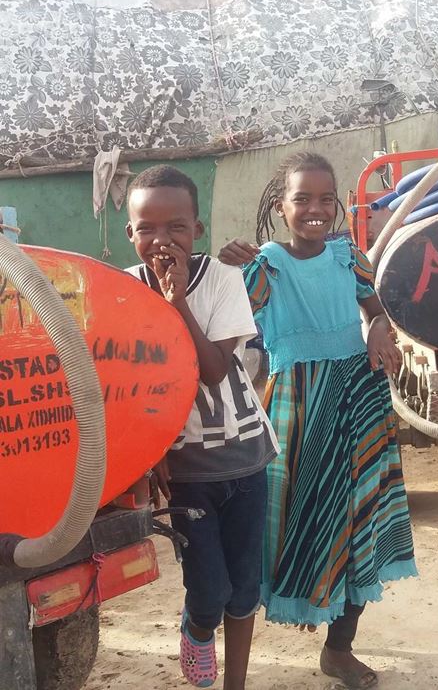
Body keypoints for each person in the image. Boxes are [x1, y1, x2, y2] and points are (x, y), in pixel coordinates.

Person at [218, 151, 416, 690]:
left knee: (360, 523)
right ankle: (233, 656)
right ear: (281, 207)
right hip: (299, 410)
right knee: (291, 524)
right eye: (301, 198)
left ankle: (340, 649)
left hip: (361, 400)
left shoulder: (348, 256)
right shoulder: (263, 266)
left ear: (337, 205)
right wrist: (224, 268)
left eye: (325, 198)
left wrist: (379, 327)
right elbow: (224, 322)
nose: (314, 208)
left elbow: (373, 308)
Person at [125, 165, 277, 689]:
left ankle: (234, 682)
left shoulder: (223, 281)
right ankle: (196, 631)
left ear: (198, 230)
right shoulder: (124, 291)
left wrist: (178, 304)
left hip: (245, 458)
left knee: (244, 589)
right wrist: (150, 452)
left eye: (177, 227)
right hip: (186, 471)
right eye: (147, 228)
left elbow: (213, 371)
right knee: (208, 591)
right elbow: (125, 386)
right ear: (131, 233)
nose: (162, 240)